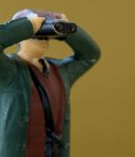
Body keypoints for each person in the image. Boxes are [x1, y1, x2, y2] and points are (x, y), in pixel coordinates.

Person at [0, 9, 101, 157]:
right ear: (20, 38)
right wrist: (28, 26)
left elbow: (90, 55)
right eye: (36, 36)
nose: (42, 38)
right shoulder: (10, 71)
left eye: (45, 36)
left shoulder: (60, 72)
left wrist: (67, 31)